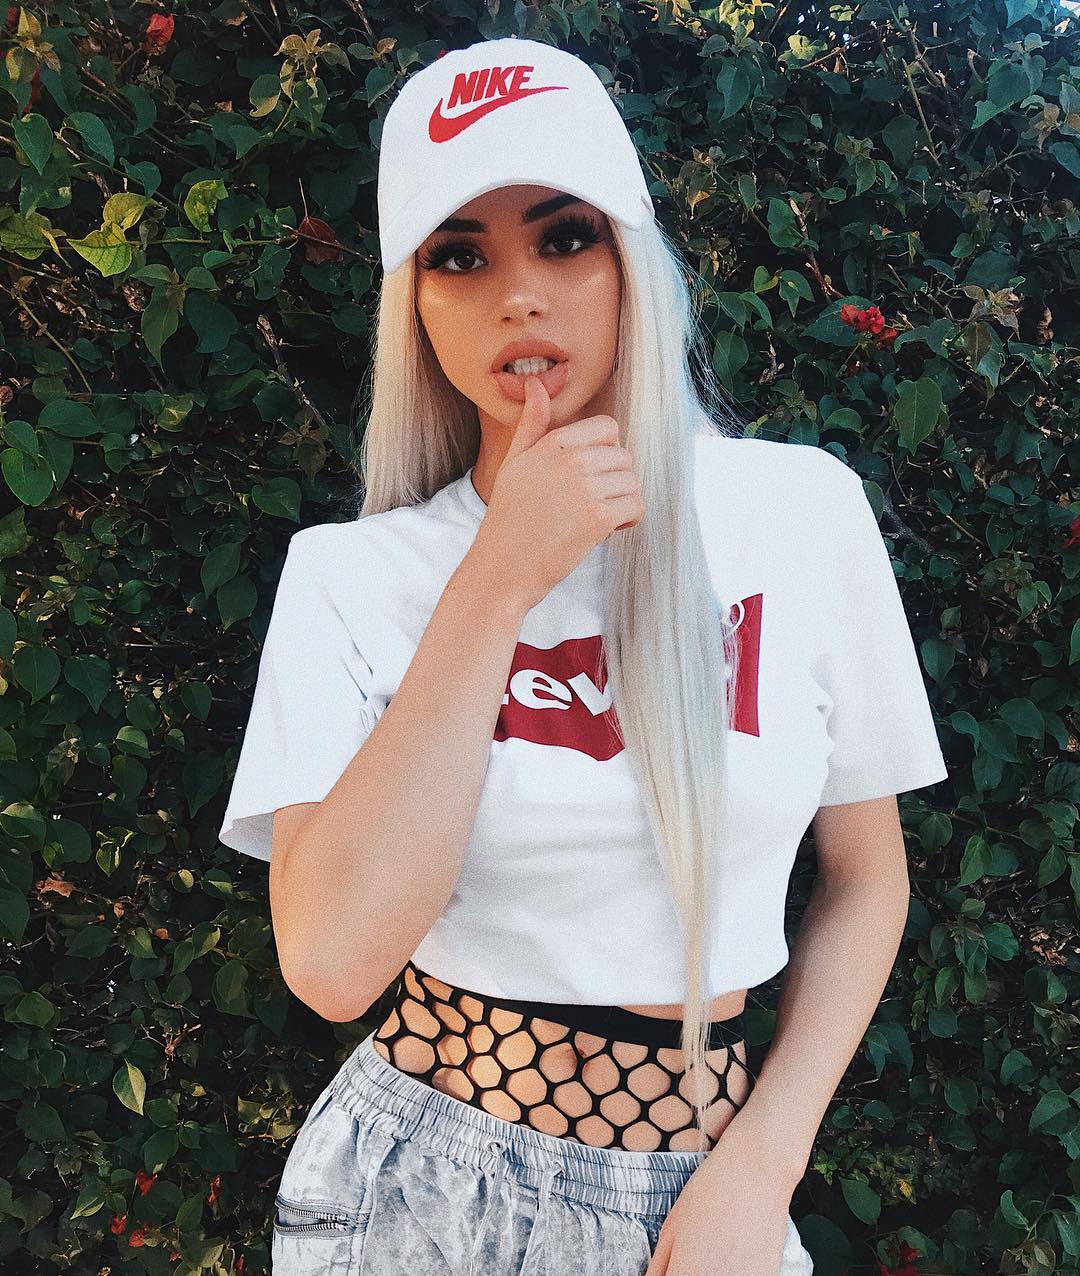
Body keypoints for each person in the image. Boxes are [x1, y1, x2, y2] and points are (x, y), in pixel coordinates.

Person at [218, 35, 950, 1276]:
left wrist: (761, 1168)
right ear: (415, 307)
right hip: (418, 1191)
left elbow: (869, 880)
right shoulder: (350, 576)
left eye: (565, 237)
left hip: (708, 1187)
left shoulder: (797, 513)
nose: (518, 295)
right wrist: (499, 573)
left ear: (631, 261)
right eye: (459, 255)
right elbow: (333, 963)